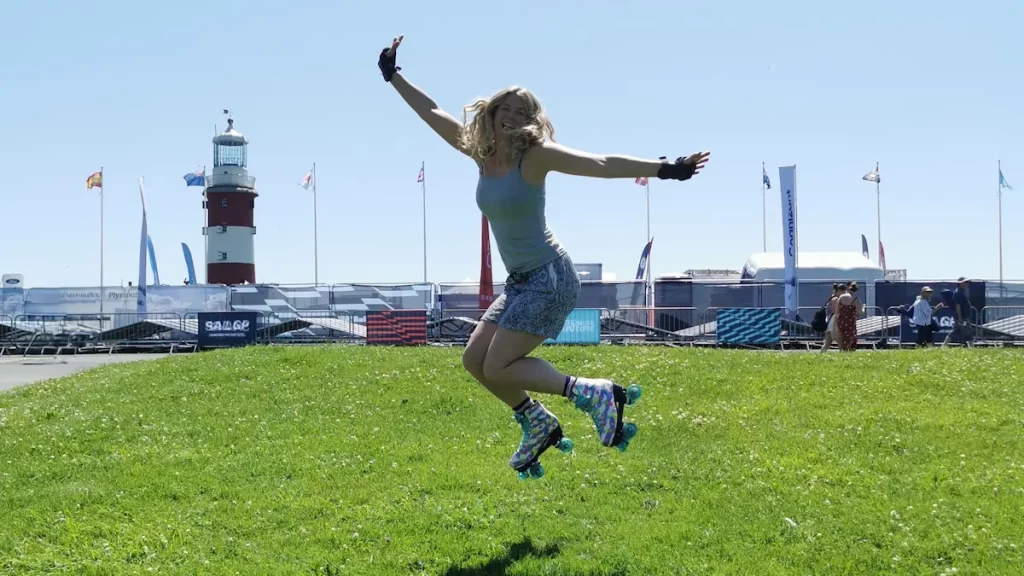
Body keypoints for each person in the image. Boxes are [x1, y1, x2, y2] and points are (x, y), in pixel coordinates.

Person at [379, 36, 710, 479]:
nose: (512, 117)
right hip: (520, 282)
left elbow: (600, 162)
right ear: (492, 115)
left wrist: (664, 168)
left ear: (532, 122)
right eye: (506, 110)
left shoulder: (534, 158)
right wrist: (394, 76)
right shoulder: (481, 153)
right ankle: (536, 421)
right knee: (475, 362)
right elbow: (433, 112)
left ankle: (591, 393)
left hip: (550, 277)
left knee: (499, 364)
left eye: (523, 112)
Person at [942, 277, 974, 348]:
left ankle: (944, 345)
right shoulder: (958, 293)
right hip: (962, 317)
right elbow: (958, 306)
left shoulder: (961, 292)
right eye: (965, 282)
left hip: (961, 317)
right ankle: (972, 347)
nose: (967, 284)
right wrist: (960, 318)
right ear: (960, 283)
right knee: (968, 332)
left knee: (955, 331)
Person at [835, 281, 863, 352]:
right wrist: (863, 308)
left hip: (841, 321)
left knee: (842, 337)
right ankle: (848, 351)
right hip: (850, 321)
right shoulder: (856, 299)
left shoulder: (841, 297)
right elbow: (860, 312)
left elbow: (837, 310)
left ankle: (842, 350)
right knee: (850, 337)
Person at [821, 283, 845, 353]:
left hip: (831, 321)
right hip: (833, 321)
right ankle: (843, 354)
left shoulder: (833, 297)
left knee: (827, 342)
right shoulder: (836, 299)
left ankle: (821, 354)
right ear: (840, 291)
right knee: (839, 340)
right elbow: (835, 310)